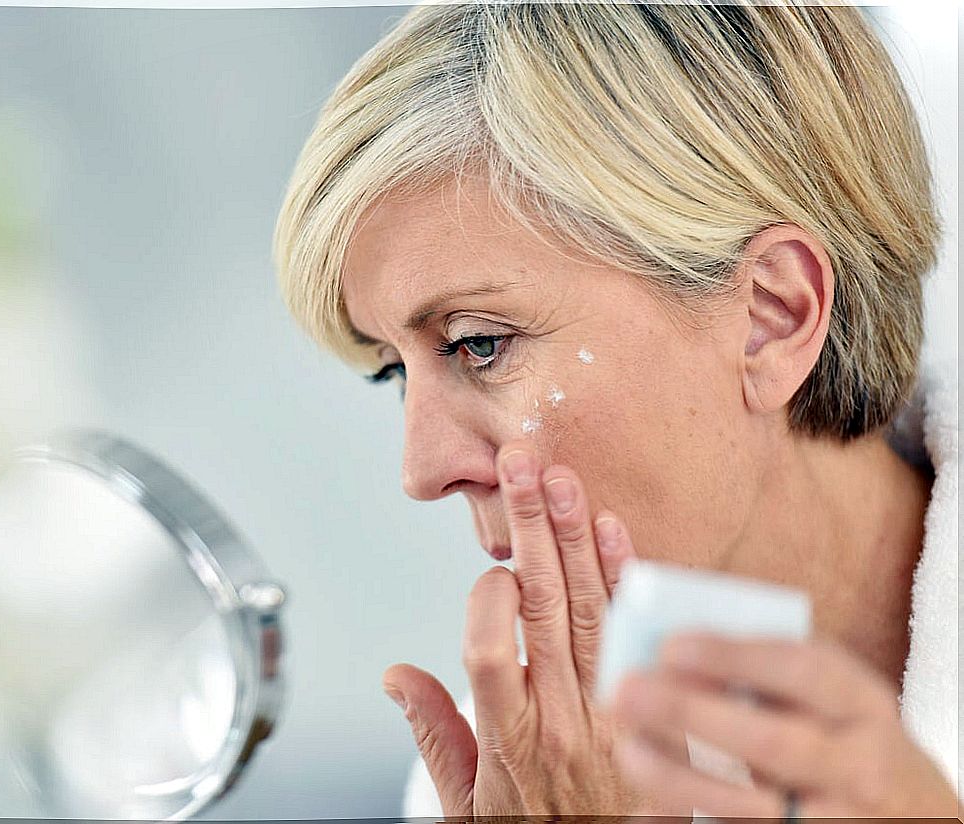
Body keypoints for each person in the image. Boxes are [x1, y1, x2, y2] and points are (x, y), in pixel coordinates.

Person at [273, 2, 959, 818]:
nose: (421, 472)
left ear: (774, 315)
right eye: (393, 372)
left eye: (479, 344)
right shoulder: (515, 781)